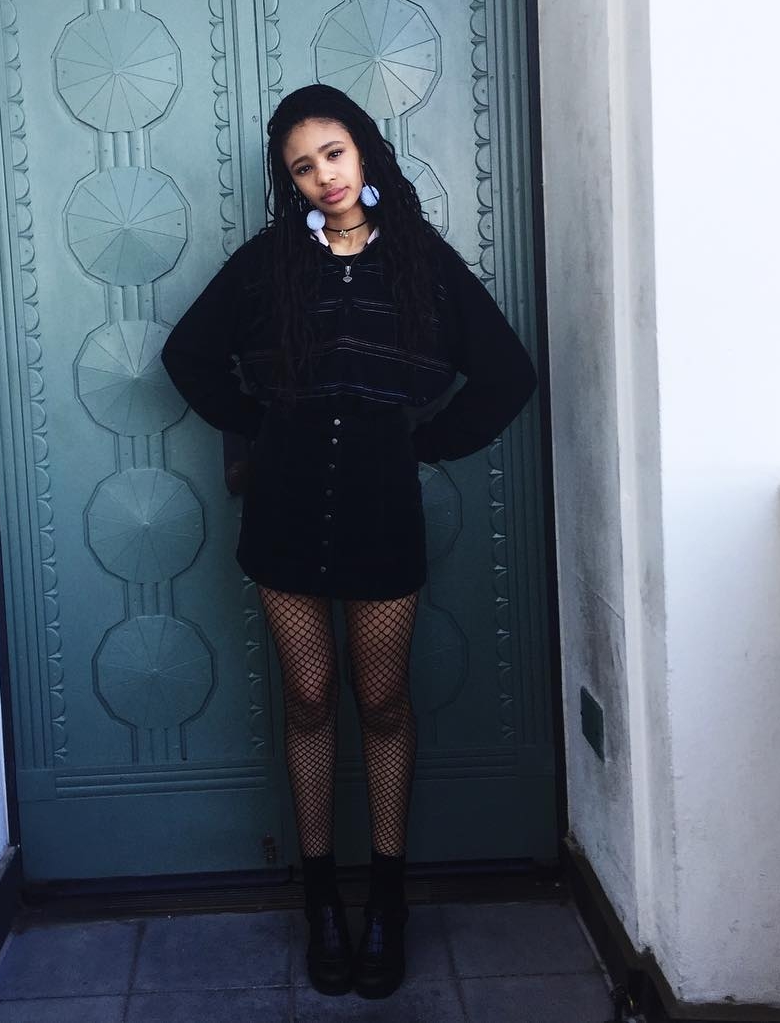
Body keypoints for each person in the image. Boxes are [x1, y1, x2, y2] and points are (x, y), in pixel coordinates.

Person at [160, 83, 537, 999]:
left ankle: (389, 902)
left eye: (333, 153)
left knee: (382, 702)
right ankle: (322, 899)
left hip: (379, 511)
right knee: (307, 699)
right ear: (289, 183)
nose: (322, 176)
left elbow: (507, 374)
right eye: (302, 167)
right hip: (284, 509)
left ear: (363, 151)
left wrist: (423, 441)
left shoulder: (420, 262)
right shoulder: (269, 266)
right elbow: (188, 355)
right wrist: (264, 426)